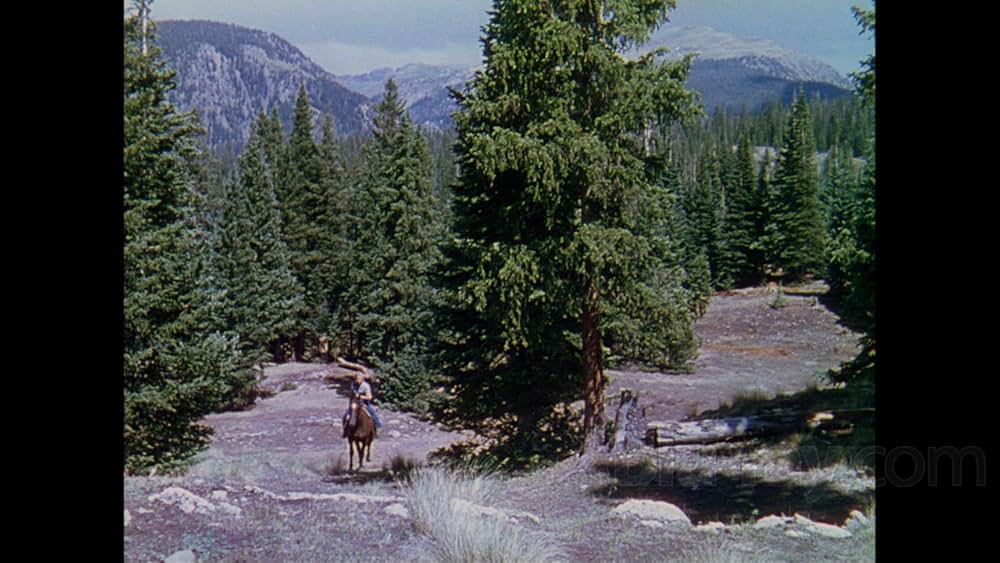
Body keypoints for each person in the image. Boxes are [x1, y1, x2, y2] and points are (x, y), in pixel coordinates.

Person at [342, 372, 382, 437]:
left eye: (359, 379)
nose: (357, 381)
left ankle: (377, 428)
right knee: (346, 415)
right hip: (355, 403)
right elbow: (351, 395)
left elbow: (370, 397)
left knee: (372, 413)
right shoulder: (353, 385)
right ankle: (345, 431)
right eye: (356, 379)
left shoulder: (366, 386)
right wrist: (350, 404)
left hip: (365, 403)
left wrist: (361, 396)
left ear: (362, 379)